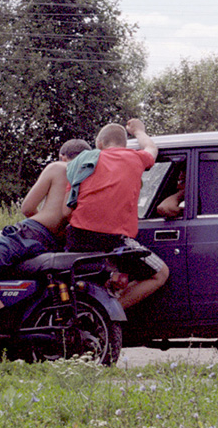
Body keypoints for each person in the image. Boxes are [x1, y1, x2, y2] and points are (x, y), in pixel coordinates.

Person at [0, 138, 87, 335]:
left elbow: (27, 207)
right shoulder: (88, 174)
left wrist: (41, 219)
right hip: (54, 242)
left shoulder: (58, 167)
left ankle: (1, 318)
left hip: (31, 234)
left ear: (63, 156)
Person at [63, 117, 170, 311]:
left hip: (77, 236)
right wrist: (138, 131)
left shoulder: (81, 163)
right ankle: (106, 312)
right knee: (160, 273)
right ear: (124, 143)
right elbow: (151, 149)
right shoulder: (134, 157)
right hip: (112, 241)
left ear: (99, 144)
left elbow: (67, 207)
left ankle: (93, 311)